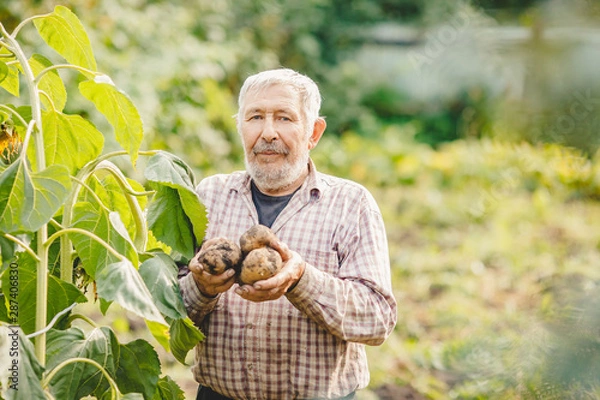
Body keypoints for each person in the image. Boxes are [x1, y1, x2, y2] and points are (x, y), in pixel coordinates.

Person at [179, 68, 397, 400]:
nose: (267, 133)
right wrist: (200, 288)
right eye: (255, 117)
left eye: (284, 118)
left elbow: (377, 319)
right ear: (240, 126)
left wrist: (301, 280)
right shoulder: (208, 196)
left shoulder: (352, 205)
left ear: (313, 132)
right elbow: (167, 307)